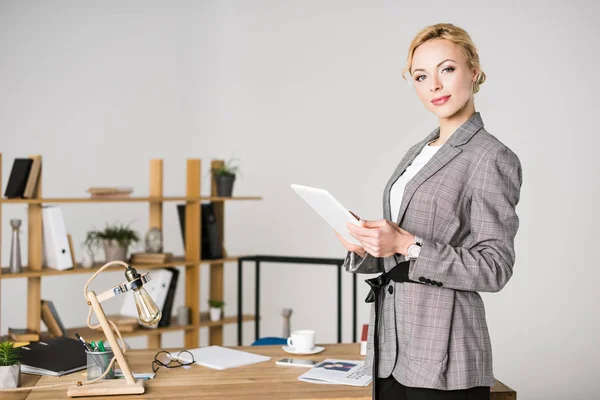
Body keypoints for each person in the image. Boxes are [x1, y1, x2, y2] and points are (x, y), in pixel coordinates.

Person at [336, 23, 523, 400]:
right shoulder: (420, 151)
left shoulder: (491, 157)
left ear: (473, 70)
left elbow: (495, 268)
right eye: (422, 76)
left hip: (446, 359)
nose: (434, 85)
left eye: (447, 69)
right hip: (391, 349)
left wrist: (407, 243)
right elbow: (401, 253)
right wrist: (367, 246)